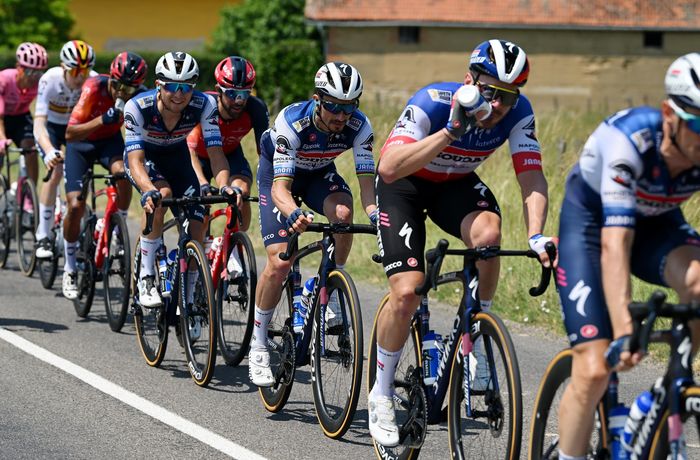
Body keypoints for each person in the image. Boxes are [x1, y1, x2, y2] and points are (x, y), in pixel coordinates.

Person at [368, 39, 555, 446]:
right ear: (469, 81)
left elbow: (531, 176)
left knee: (489, 235)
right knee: (406, 293)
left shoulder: (519, 114)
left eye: (510, 94)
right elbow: (389, 166)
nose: (500, 104)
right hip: (405, 187)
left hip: (455, 186)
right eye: (490, 92)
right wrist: (452, 129)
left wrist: (537, 233)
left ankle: (477, 338)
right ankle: (381, 391)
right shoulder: (433, 102)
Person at [553, 52, 700, 460]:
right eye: (699, 125)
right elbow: (614, 245)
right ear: (670, 115)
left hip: (657, 223)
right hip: (591, 225)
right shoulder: (630, 140)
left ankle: (676, 381)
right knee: (596, 367)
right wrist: (622, 330)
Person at [249, 62, 378, 387]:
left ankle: (330, 285)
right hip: (277, 178)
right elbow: (280, 189)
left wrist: (378, 216)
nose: (341, 116)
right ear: (317, 99)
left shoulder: (360, 127)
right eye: (334, 106)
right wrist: (293, 213)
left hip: (319, 174)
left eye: (349, 107)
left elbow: (367, 186)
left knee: (344, 218)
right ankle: (259, 340)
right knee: (279, 262)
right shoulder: (292, 123)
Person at [123, 51, 233, 311]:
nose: (179, 94)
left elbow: (216, 153)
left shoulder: (203, 104)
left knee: (198, 221)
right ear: (159, 85)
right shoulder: (137, 107)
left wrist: (225, 184)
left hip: (177, 157)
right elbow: (136, 161)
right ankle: (147, 277)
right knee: (160, 195)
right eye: (172, 86)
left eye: (186, 87)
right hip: (144, 157)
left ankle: (191, 293)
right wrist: (148, 190)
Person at [60, 52, 147, 299]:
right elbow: (70, 134)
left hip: (109, 142)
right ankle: (70, 267)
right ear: (111, 78)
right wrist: (101, 119)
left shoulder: (138, 95)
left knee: (124, 172)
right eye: (118, 86)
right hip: (81, 145)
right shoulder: (93, 88)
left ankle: (116, 226)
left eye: (129, 89)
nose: (122, 93)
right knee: (76, 204)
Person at [187, 55, 269, 233]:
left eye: (245, 94)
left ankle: (234, 244)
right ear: (219, 90)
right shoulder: (203, 105)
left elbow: (265, 155)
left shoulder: (256, 109)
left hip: (230, 155)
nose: (239, 101)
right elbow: (189, 149)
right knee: (201, 207)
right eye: (232, 94)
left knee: (242, 192)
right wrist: (202, 182)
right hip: (197, 158)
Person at [35, 40, 97, 261]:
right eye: (76, 70)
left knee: (83, 180)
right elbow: (39, 123)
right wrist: (49, 150)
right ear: (63, 67)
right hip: (51, 128)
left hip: (76, 129)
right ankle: (42, 234)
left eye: (85, 70)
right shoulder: (49, 80)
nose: (81, 76)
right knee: (55, 172)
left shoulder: (93, 81)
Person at [0, 42, 48, 184]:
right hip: (2, 118)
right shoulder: (4, 79)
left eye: (38, 73)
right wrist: (2, 138)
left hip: (20, 117)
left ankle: (29, 193)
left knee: (31, 149)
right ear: (19, 67)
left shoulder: (40, 83)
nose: (34, 77)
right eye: (29, 72)